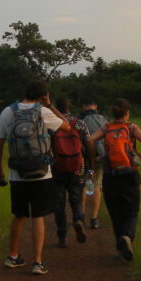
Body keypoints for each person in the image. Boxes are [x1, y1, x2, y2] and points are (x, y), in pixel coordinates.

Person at [0, 80, 70, 275]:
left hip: (17, 174)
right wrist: (50, 105)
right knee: (38, 216)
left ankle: (12, 256)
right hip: (42, 173)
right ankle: (37, 262)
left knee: (19, 215)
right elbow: (67, 127)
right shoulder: (44, 112)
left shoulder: (8, 111)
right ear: (44, 96)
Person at [85, 98, 141, 262]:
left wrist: (94, 159)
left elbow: (90, 140)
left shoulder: (106, 127)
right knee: (132, 210)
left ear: (113, 112)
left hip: (110, 176)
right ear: (127, 113)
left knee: (116, 213)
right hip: (130, 175)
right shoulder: (131, 127)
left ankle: (121, 249)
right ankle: (127, 237)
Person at [50, 97, 91, 248]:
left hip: (57, 168)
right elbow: (89, 144)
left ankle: (62, 237)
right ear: (69, 108)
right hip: (77, 167)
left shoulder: (53, 125)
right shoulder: (79, 123)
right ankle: (78, 219)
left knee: (59, 203)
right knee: (76, 198)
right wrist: (90, 166)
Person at [77, 96, 107, 229]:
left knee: (83, 186)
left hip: (82, 158)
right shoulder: (103, 119)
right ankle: (94, 219)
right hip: (99, 157)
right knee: (96, 186)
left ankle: (81, 216)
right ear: (95, 106)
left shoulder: (78, 119)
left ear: (83, 106)